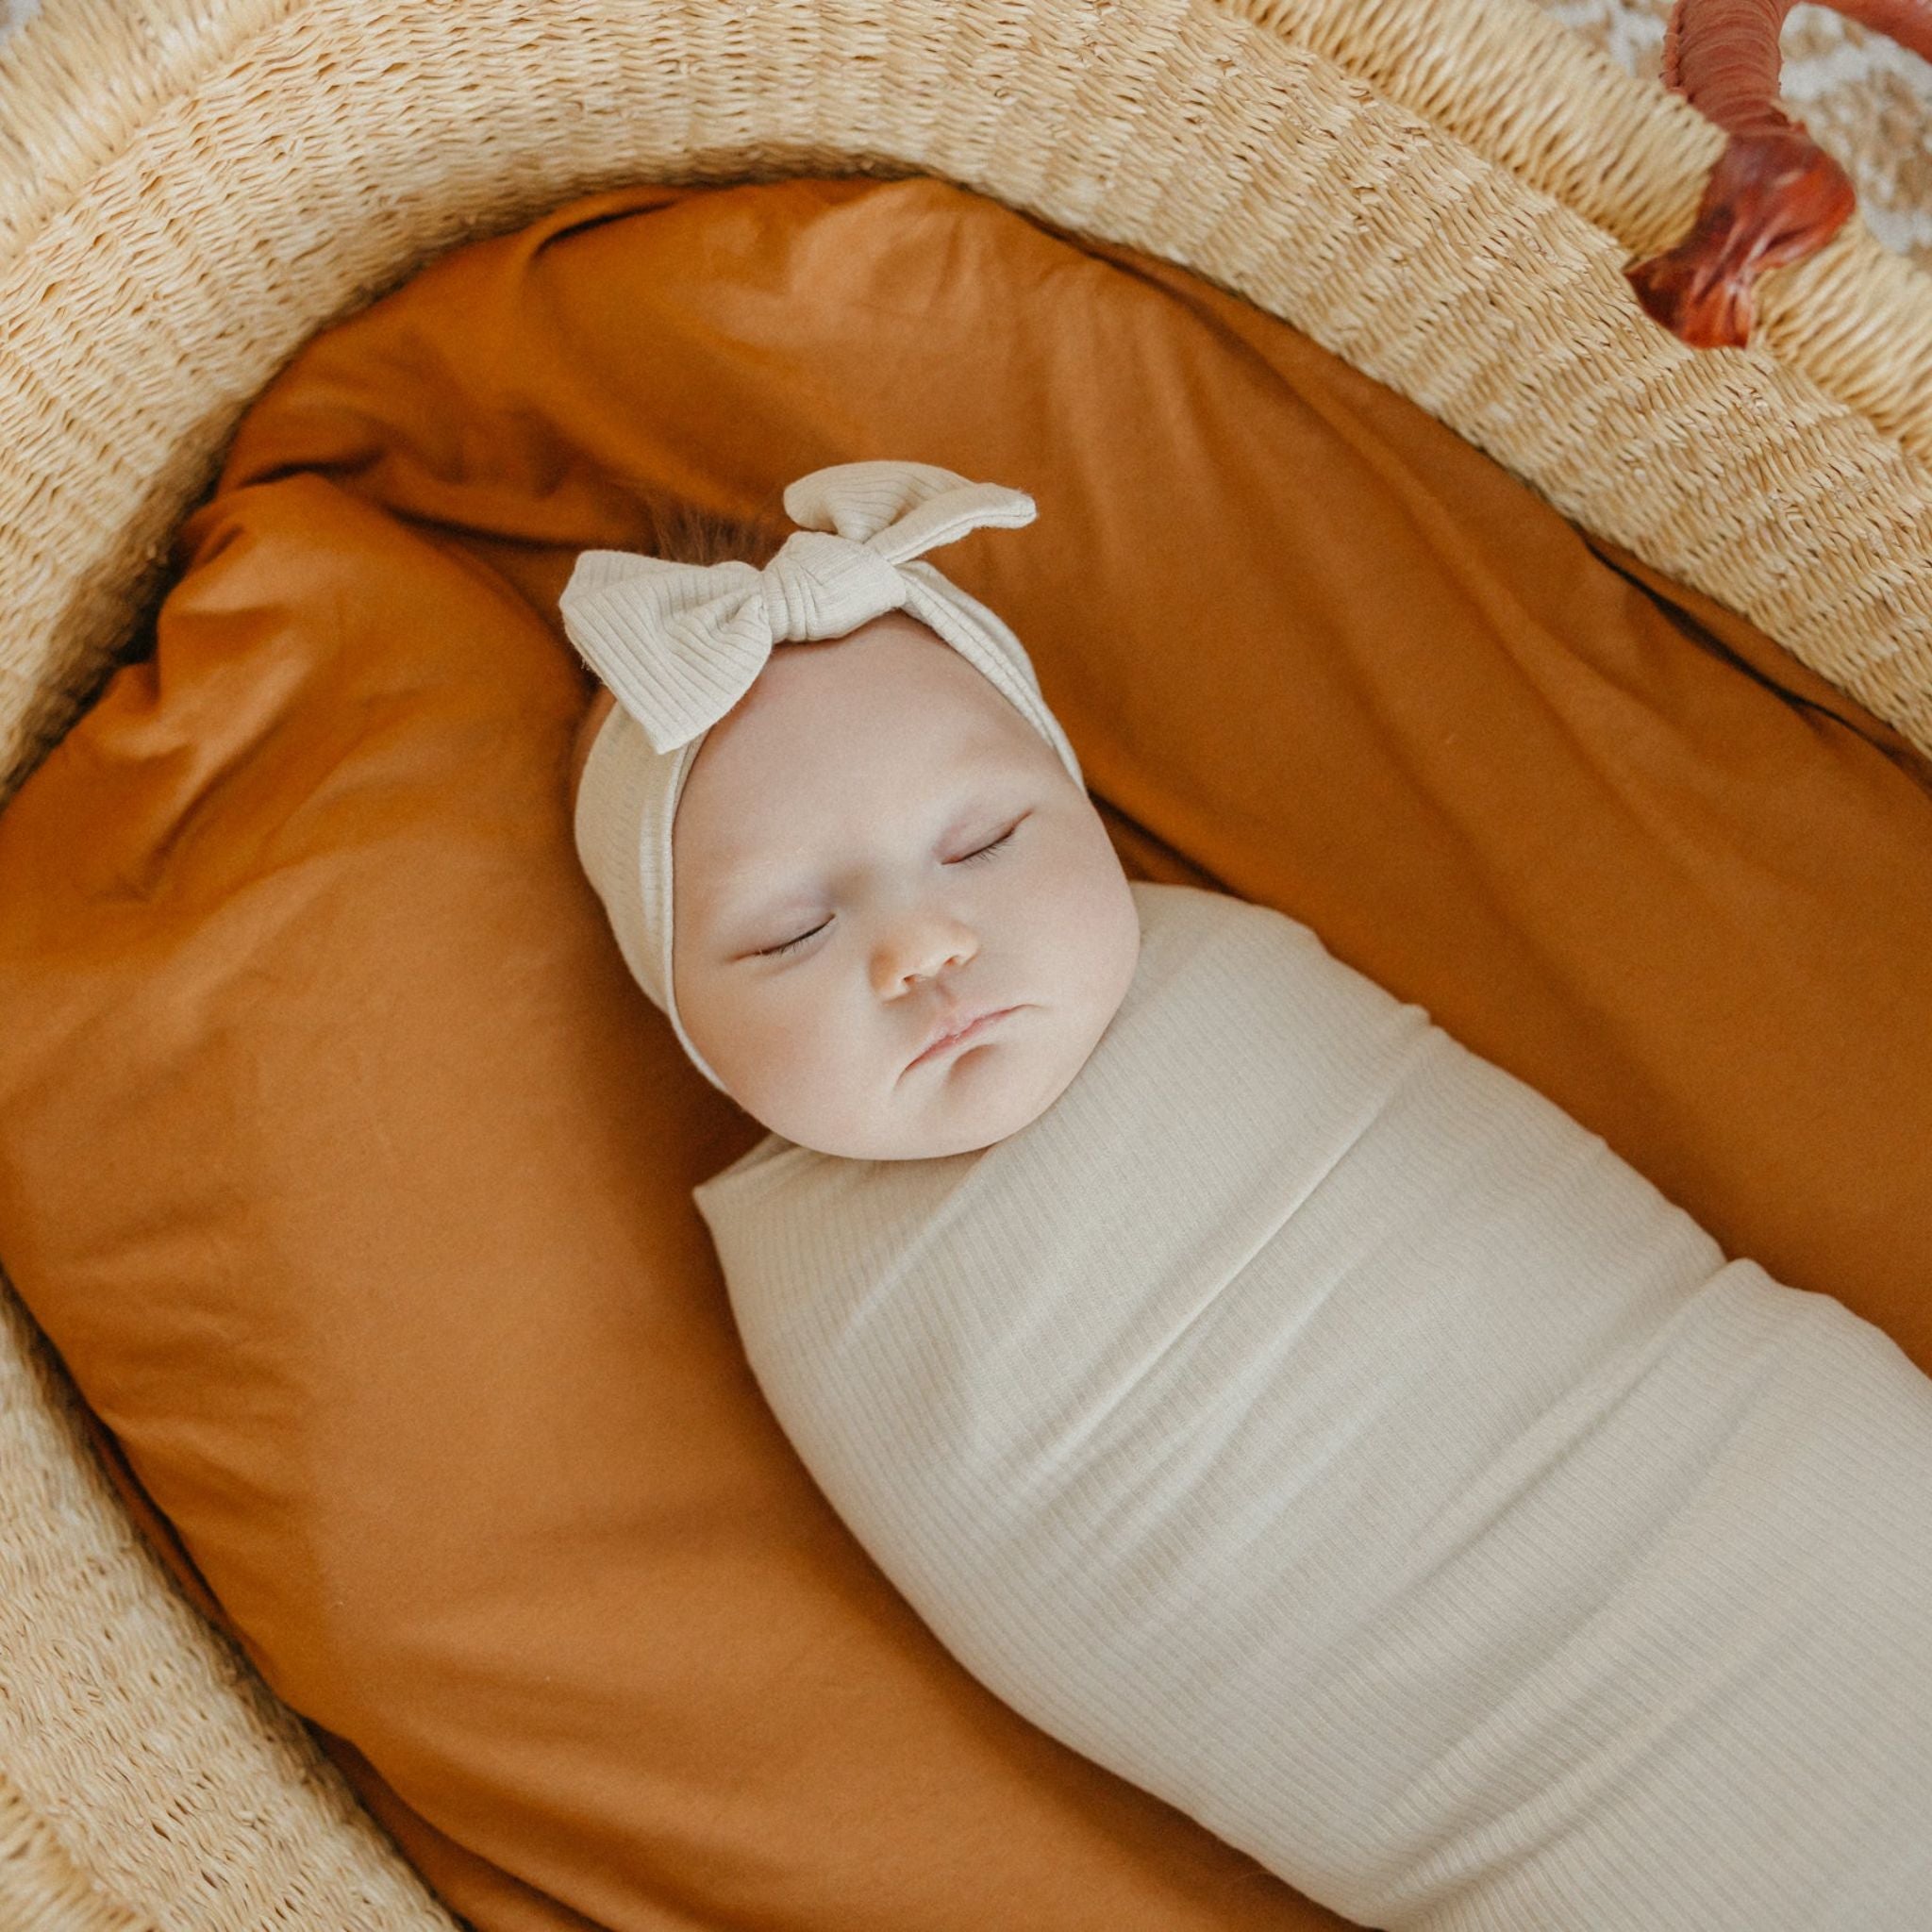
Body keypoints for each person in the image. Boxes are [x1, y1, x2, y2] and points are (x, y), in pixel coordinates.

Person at [562, 458, 1932, 1930]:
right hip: (1524, 1811)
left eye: (981, 843)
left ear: (1078, 809)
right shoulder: (809, 1292)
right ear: (683, 1021)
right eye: (788, 934)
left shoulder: (1236, 979)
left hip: (1771, 1502)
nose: (923, 946)